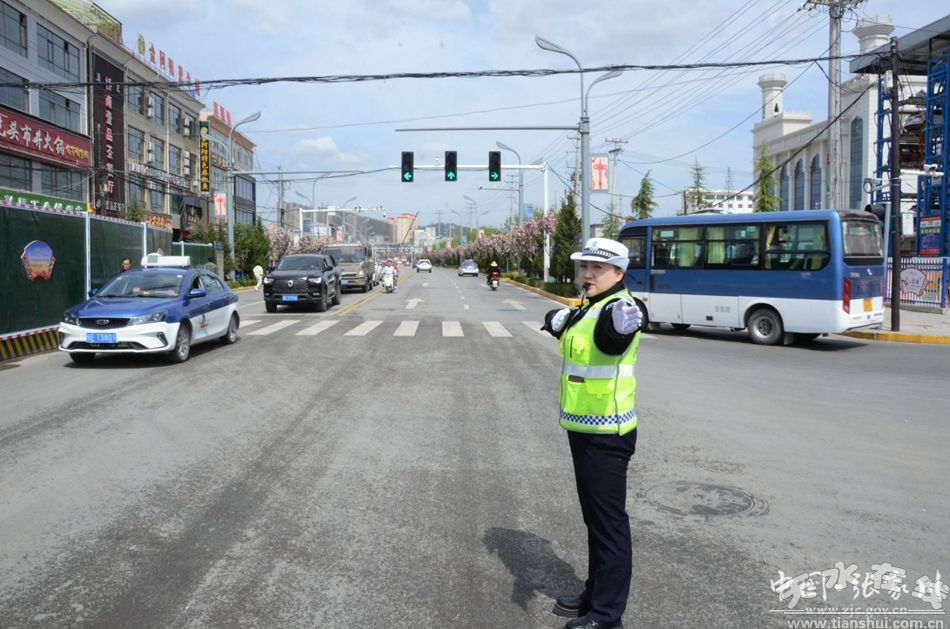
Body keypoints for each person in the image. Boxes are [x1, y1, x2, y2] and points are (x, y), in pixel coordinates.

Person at [541, 237, 644, 629]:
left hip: (608, 433)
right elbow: (569, 331)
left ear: (618, 273)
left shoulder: (620, 309)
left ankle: (607, 615)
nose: (587, 274)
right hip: (584, 429)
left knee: (609, 525)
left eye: (596, 268)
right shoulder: (590, 307)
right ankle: (594, 593)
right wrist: (558, 319)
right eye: (584, 266)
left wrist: (621, 323)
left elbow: (614, 337)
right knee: (595, 522)